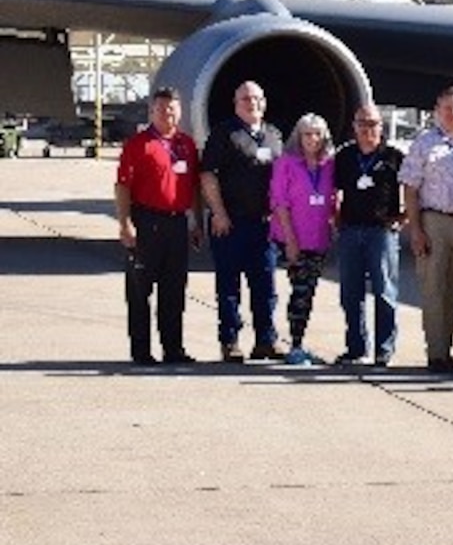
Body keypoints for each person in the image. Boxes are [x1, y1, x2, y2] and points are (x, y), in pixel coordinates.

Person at [398, 86, 453, 371]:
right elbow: (410, 189)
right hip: (433, 220)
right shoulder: (424, 143)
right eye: (448, 108)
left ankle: (447, 349)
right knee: (433, 288)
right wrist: (415, 229)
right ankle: (435, 353)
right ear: (437, 111)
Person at [113, 86, 202, 366]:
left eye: (172, 108)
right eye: (162, 108)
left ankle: (173, 348)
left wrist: (196, 221)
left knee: (174, 290)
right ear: (152, 111)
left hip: (177, 224)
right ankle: (141, 351)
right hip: (147, 221)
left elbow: (195, 187)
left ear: (180, 111)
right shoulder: (138, 144)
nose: (168, 113)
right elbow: (122, 186)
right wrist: (125, 223)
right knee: (140, 290)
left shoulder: (186, 145)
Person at [199, 80, 281, 362]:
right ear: (236, 104)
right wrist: (218, 213)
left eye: (256, 98)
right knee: (229, 287)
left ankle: (265, 341)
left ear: (264, 103)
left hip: (264, 225)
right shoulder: (225, 133)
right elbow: (208, 174)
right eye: (245, 99)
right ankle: (230, 341)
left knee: (265, 286)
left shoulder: (273, 135)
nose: (251, 103)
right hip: (231, 224)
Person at [332, 103, 403, 367]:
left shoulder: (394, 157)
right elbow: (334, 190)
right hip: (351, 231)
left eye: (372, 124)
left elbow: (409, 191)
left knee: (385, 291)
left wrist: (402, 220)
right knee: (351, 293)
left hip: (381, 232)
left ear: (381, 127)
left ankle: (384, 348)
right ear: (354, 126)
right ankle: (355, 347)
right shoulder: (345, 157)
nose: (367, 129)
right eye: (362, 123)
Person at [269, 113, 339, 366]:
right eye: (307, 134)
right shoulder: (286, 163)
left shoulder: (329, 164)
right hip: (293, 237)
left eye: (317, 134)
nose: (312, 139)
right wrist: (290, 240)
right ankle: (295, 345)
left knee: (308, 291)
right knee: (299, 291)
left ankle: (299, 342)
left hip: (318, 237)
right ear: (299, 137)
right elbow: (280, 202)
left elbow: (333, 197)